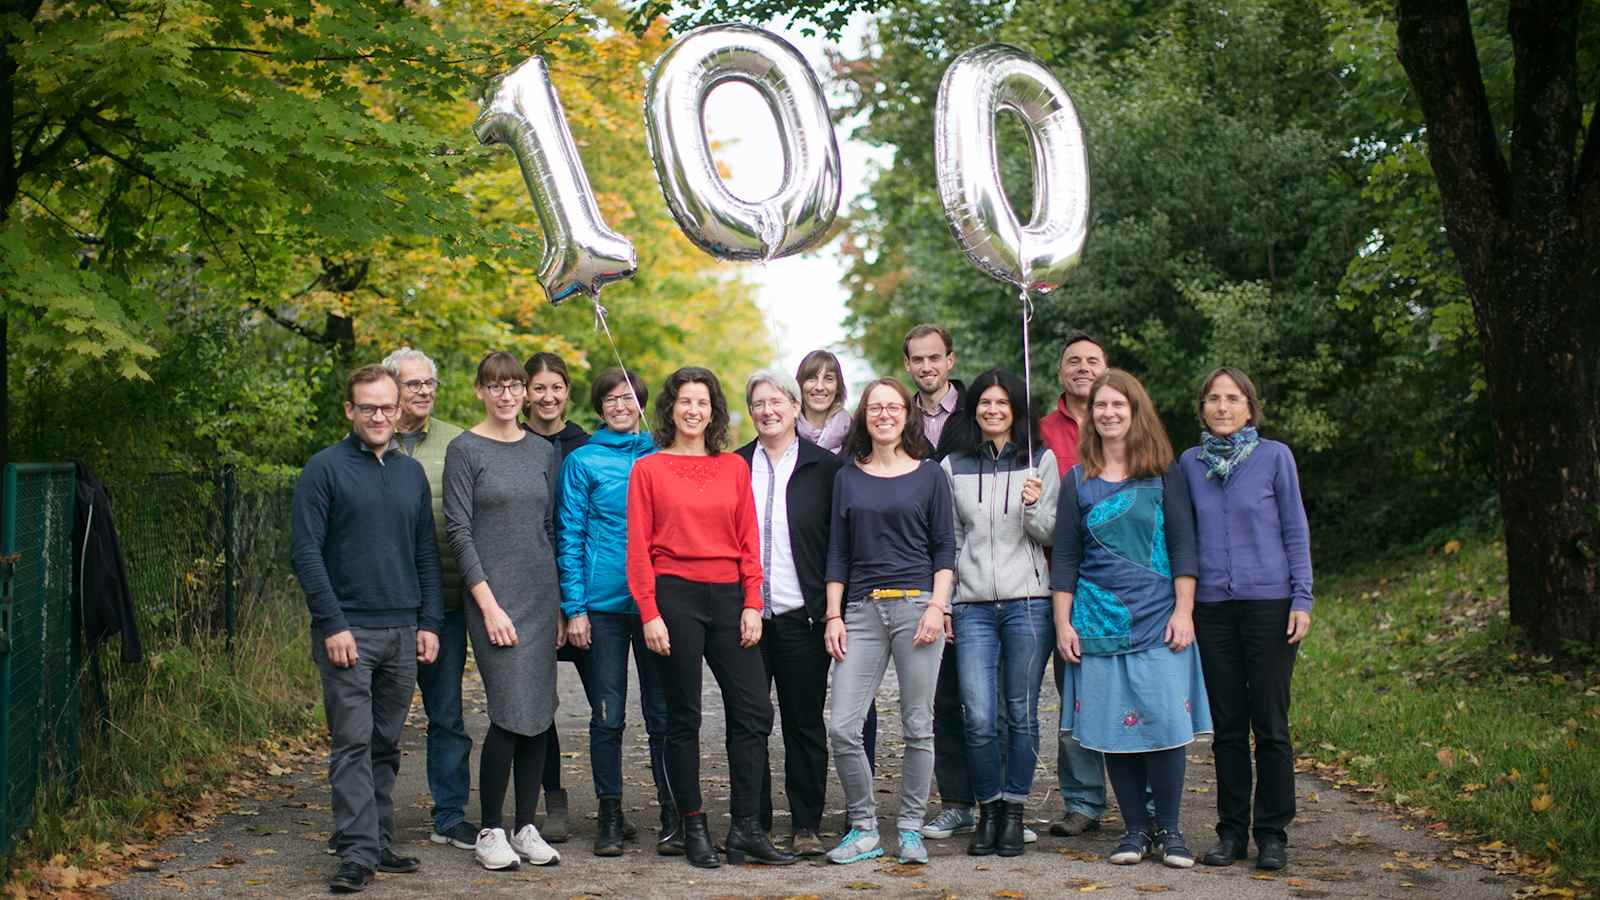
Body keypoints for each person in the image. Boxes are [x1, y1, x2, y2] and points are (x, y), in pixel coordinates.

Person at [627, 367, 795, 869]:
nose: (693, 410)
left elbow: (748, 541)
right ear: (671, 408)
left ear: (714, 410)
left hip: (728, 598)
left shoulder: (731, 468)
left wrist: (751, 601)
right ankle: (693, 825)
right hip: (673, 597)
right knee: (683, 717)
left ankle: (746, 827)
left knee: (753, 713)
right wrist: (650, 612)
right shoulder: (648, 469)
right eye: (685, 401)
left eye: (702, 402)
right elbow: (637, 550)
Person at [1052, 369, 1212, 869]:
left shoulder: (1165, 473)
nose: (1109, 413)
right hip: (1097, 622)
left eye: (1119, 405)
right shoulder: (1077, 479)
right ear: (1091, 415)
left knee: (1164, 727)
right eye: (1101, 406)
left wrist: (1185, 612)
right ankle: (1135, 832)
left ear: (1136, 410)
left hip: (1160, 621)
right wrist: (1063, 623)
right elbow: (1065, 559)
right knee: (1114, 732)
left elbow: (1185, 547)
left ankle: (1171, 830)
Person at [290, 364, 441, 894]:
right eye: (368, 407)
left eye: (387, 407)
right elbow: (306, 552)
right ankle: (355, 853)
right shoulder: (324, 469)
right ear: (349, 411)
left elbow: (425, 551)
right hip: (348, 630)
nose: (379, 416)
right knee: (352, 740)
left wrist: (429, 622)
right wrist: (332, 623)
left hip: (403, 628)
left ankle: (375, 838)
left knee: (384, 742)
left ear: (399, 411)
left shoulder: (409, 473)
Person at [1180, 368, 1312, 872]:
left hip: (1271, 605)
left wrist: (1303, 598)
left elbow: (1295, 529)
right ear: (1202, 408)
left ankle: (1273, 833)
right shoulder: (1189, 464)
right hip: (1212, 608)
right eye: (1213, 398)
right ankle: (1231, 832)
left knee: (1271, 724)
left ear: (1249, 407)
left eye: (1232, 398)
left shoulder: (1275, 457)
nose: (1222, 407)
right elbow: (1181, 538)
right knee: (1228, 726)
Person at [823, 378, 955, 867]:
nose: (884, 414)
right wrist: (832, 614)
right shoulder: (847, 477)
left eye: (892, 406)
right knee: (842, 725)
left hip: (918, 607)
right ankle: (863, 827)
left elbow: (945, 548)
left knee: (918, 726)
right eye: (875, 407)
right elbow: (838, 552)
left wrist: (938, 608)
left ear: (906, 415)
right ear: (864, 416)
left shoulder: (929, 475)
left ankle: (911, 829)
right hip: (860, 611)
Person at [444, 352, 564, 871]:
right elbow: (458, 532)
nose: (507, 394)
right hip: (493, 599)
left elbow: (552, 528)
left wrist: (560, 605)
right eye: (496, 386)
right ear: (480, 391)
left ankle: (526, 826)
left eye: (515, 385)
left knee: (539, 715)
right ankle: (490, 829)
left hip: (541, 597)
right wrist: (487, 604)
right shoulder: (464, 449)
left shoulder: (542, 451)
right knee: (509, 714)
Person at [941, 369, 1060, 857]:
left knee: (1020, 712)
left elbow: (1052, 532)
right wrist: (945, 602)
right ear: (974, 410)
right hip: (971, 606)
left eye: (1002, 402)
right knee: (979, 714)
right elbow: (948, 542)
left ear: (1016, 408)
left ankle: (1014, 811)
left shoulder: (1040, 461)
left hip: (1028, 602)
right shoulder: (952, 466)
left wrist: (1034, 508)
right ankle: (987, 809)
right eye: (984, 403)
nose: (993, 410)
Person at [557, 367, 674, 857]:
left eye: (628, 397)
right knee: (607, 716)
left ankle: (674, 812)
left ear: (642, 402)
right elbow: (570, 534)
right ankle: (610, 812)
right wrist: (574, 607)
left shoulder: (663, 455)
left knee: (663, 713)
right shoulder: (583, 461)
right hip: (602, 606)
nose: (620, 405)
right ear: (600, 407)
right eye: (610, 399)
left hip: (657, 605)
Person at [737, 370, 843, 858]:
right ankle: (752, 822)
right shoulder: (734, 465)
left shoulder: (826, 468)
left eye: (777, 401)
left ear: (796, 407)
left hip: (802, 616)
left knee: (804, 723)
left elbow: (838, 543)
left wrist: (831, 611)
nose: (767, 411)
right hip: (747, 618)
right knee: (750, 721)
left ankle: (805, 824)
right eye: (758, 403)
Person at [381, 347, 476, 853]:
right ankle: (367, 820)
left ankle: (450, 814)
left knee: (447, 714)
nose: (423, 391)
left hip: (447, 602)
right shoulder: (369, 442)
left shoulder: (457, 442)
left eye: (429, 383)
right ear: (391, 387)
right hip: (385, 608)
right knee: (380, 720)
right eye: (413, 383)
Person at [903, 323, 981, 842]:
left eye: (935, 358)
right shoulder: (897, 416)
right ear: (907, 365)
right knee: (941, 696)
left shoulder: (981, 410)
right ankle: (956, 801)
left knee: (984, 696)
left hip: (976, 572)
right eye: (917, 360)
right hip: (919, 574)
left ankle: (998, 800)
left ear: (950, 360)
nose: (927, 367)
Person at [1037, 333, 1117, 837]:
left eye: (1092, 361)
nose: (1082, 368)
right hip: (1051, 578)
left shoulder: (1127, 425)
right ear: (1060, 371)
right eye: (1073, 361)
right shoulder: (1040, 431)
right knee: (1075, 694)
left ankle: (1143, 797)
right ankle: (1083, 800)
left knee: (1126, 689)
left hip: (1117, 584)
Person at [521, 351, 590, 843]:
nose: (548, 397)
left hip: (584, 593)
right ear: (525, 391)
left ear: (567, 391)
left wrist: (573, 604)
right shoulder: (511, 442)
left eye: (556, 387)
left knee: (606, 703)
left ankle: (611, 804)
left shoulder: (582, 445)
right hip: (529, 594)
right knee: (537, 707)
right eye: (538, 388)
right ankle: (552, 801)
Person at [795, 349, 852, 453]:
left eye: (828, 379)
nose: (819, 387)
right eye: (812, 378)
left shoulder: (855, 435)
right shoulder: (785, 432)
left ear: (838, 387)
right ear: (799, 385)